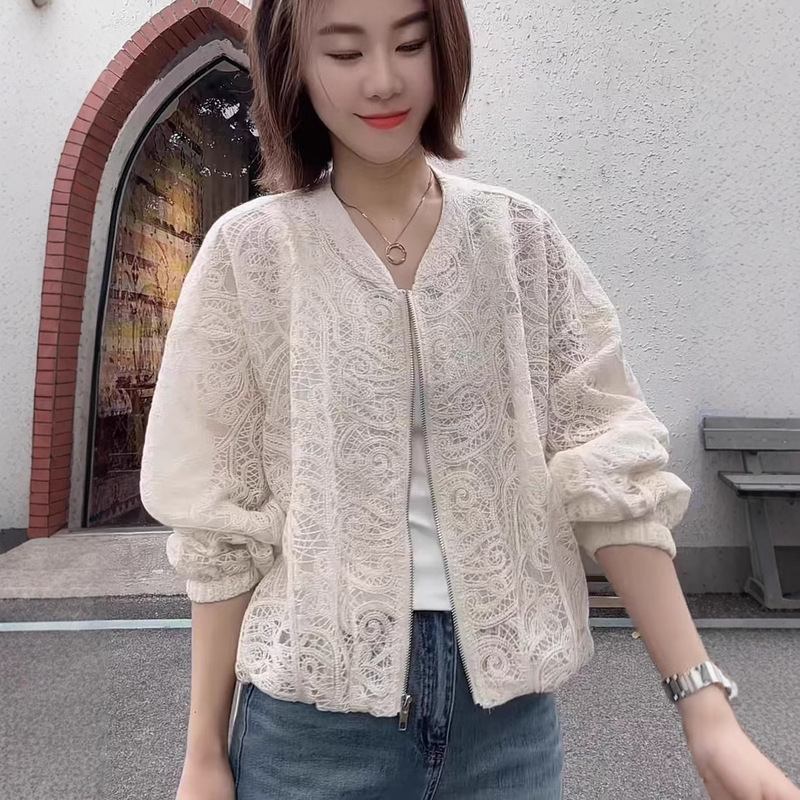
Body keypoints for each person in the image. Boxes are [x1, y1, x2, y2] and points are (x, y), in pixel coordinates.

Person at [140, 1, 800, 798]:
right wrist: (203, 754)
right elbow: (223, 522)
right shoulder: (252, 254)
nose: (384, 80)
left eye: (410, 44)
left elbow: (606, 465)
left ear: (445, 49)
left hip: (507, 728)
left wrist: (703, 706)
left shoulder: (518, 240)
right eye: (344, 53)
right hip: (312, 725)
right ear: (295, 70)